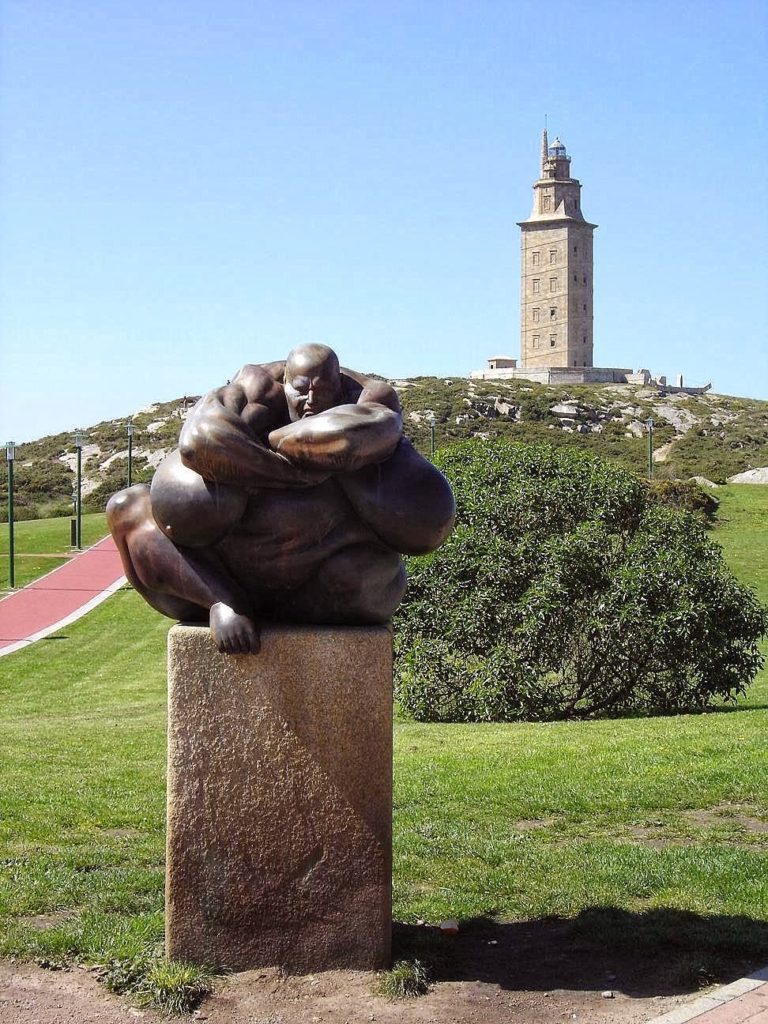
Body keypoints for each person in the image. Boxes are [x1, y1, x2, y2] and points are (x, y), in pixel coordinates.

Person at [107, 344, 455, 653]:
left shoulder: (369, 399)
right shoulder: (256, 387)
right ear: (285, 383)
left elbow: (346, 438)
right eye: (301, 389)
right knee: (127, 509)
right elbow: (198, 440)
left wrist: (261, 448)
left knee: (366, 571)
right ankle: (221, 600)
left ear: (339, 386)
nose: (312, 400)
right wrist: (285, 470)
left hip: (326, 585)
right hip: (219, 576)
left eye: (324, 390)